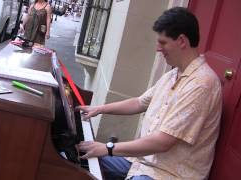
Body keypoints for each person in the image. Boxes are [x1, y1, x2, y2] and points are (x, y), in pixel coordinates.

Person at [77, 7, 222, 180]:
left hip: (168, 174)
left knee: (97, 155)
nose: (158, 49)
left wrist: (107, 148)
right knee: (80, 158)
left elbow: (162, 142)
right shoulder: (173, 75)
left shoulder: (201, 84)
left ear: (182, 41)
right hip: (141, 164)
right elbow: (139, 102)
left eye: (163, 42)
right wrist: (99, 108)